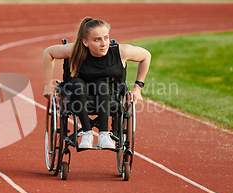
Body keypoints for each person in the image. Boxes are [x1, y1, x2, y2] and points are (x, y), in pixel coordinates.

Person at [42, 17, 151, 149]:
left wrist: (137, 88)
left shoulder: (120, 52)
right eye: (97, 39)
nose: (104, 43)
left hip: (109, 95)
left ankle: (104, 134)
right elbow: (48, 53)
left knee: (102, 85)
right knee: (77, 82)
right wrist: (48, 85)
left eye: (106, 38)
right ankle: (87, 132)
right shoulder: (76, 50)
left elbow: (146, 56)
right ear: (85, 42)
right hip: (79, 94)